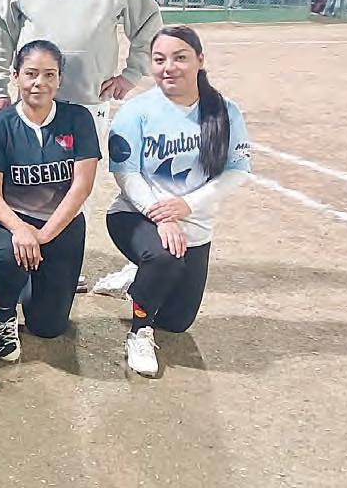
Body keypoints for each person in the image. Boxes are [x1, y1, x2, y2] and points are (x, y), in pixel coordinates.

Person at [0, 0, 161, 299]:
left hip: (86, 102)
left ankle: (62, 265)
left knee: (73, 187)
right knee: (20, 183)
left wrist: (130, 74)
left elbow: (148, 23)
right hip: (31, 101)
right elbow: (0, 30)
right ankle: (11, 265)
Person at [106, 25, 251, 377]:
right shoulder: (135, 111)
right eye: (159, 60)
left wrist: (187, 206)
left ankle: (140, 277)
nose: (168, 67)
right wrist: (162, 216)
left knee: (176, 322)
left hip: (194, 225)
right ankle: (139, 331)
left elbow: (237, 170)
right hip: (136, 215)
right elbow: (126, 174)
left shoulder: (225, 112)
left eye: (180, 58)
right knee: (163, 256)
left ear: (200, 60)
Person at [0, 40, 100, 361]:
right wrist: (21, 230)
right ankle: (5, 312)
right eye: (31, 73)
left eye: (49, 74)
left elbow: (82, 186)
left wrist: (43, 236)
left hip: (60, 225)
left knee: (48, 327)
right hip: (10, 221)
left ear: (60, 79)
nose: (39, 82)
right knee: (9, 259)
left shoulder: (78, 119)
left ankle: (25, 281)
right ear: (16, 76)